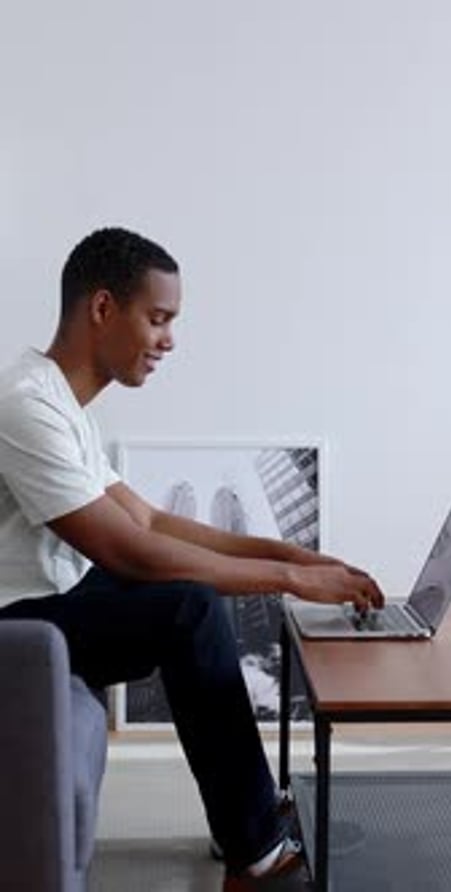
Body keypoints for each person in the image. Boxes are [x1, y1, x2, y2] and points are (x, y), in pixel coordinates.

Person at [0, 227, 384, 891]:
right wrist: (293, 579)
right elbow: (129, 549)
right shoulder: (24, 404)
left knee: (188, 597)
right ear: (101, 309)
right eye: (157, 319)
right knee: (187, 606)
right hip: (16, 626)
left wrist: (289, 552)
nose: (168, 341)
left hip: (52, 601)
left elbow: (148, 518)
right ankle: (256, 854)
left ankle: (248, 815)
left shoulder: (63, 405)